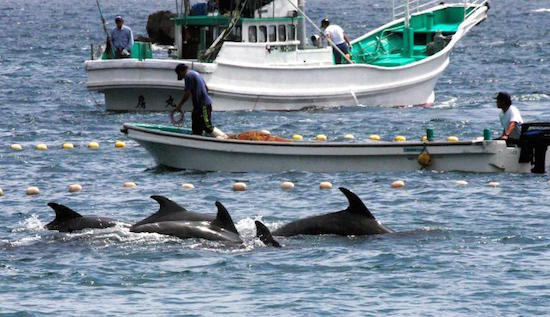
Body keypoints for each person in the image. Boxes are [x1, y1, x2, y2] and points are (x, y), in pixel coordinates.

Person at [174, 64, 215, 136]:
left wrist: (179, 106)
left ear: (181, 71)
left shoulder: (188, 75)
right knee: (196, 127)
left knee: (207, 126)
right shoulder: (195, 73)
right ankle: (197, 140)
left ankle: (223, 137)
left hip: (203, 105)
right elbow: (207, 88)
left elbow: (187, 93)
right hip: (199, 106)